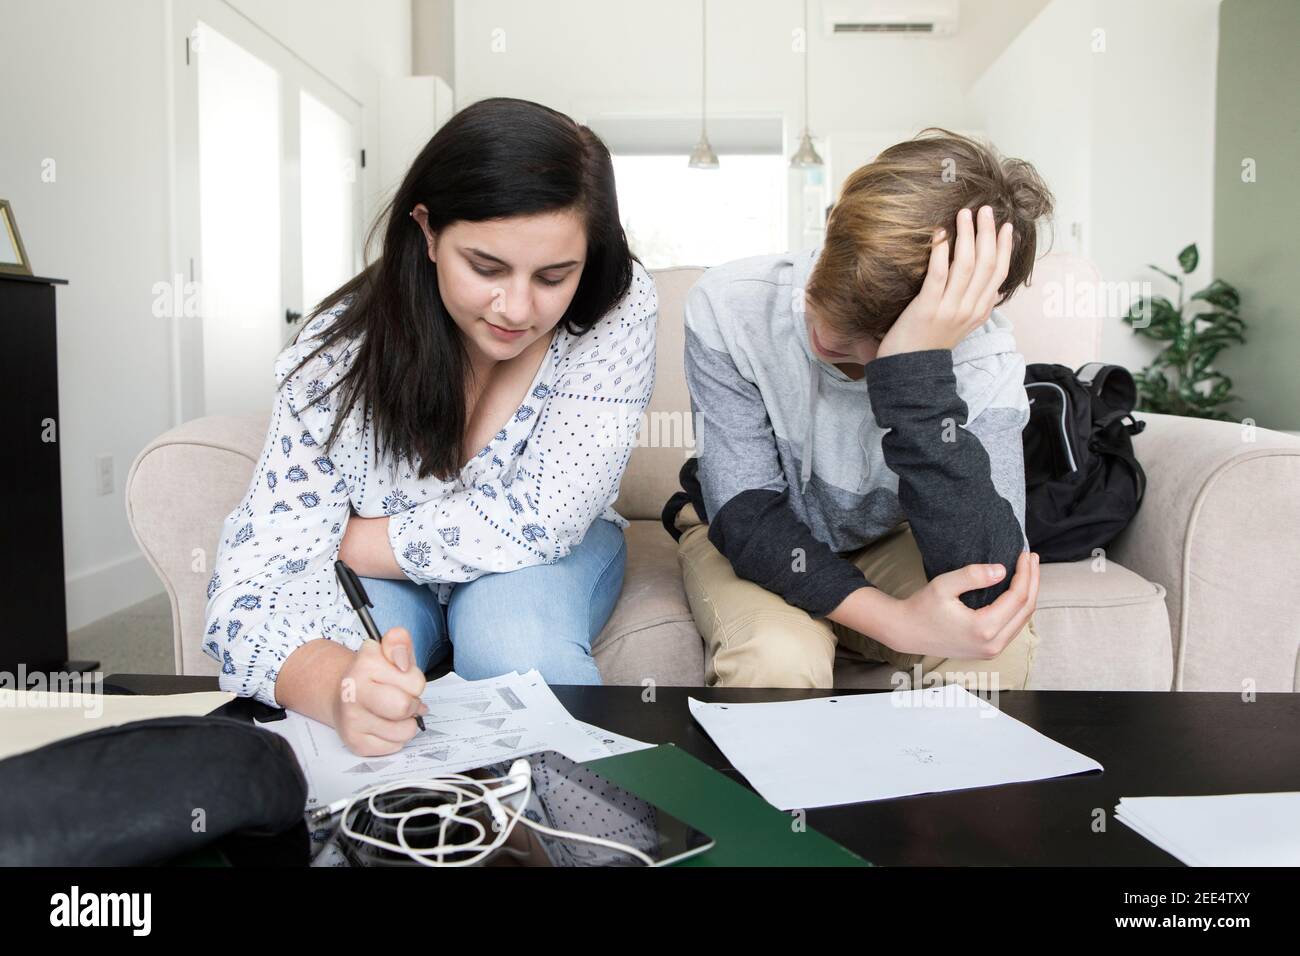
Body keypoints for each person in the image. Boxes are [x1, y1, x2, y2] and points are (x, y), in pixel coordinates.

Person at [203, 97, 657, 756]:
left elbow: (547, 516)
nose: (519, 308)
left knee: (513, 639)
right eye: (487, 267)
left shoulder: (616, 305)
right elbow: (251, 585)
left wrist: (361, 542)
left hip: (543, 558)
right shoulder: (333, 356)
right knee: (357, 678)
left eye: (554, 276)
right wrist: (336, 687)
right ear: (427, 229)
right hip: (389, 585)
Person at [662, 128, 1051, 692]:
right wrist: (895, 622)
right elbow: (746, 514)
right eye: (834, 296)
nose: (831, 337)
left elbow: (991, 586)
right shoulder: (729, 305)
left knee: (990, 649)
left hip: (890, 542)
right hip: (754, 534)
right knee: (778, 660)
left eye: (877, 333)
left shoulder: (982, 359)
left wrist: (916, 370)